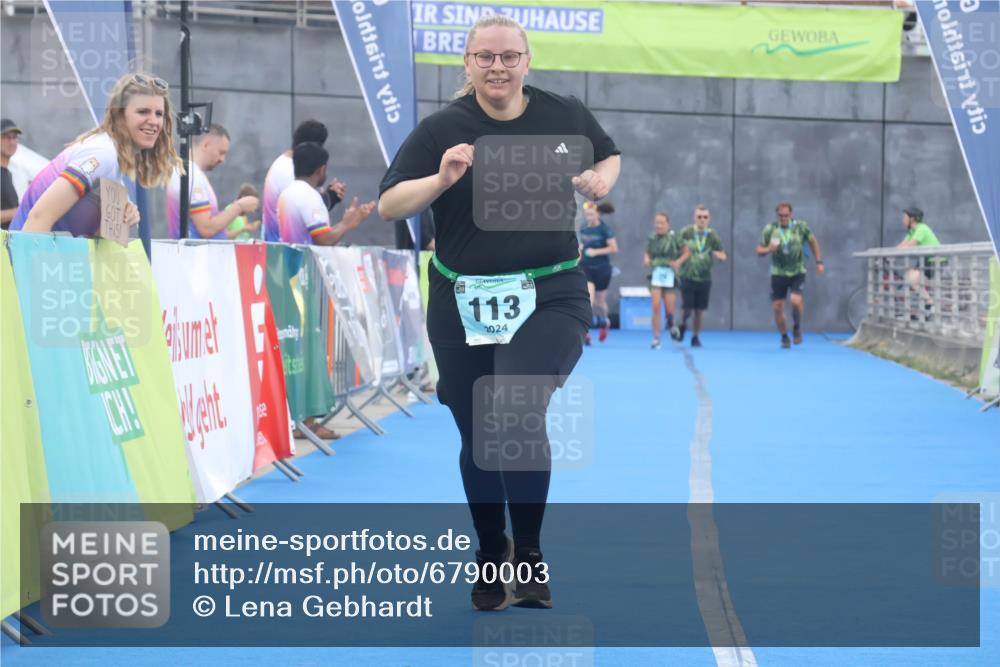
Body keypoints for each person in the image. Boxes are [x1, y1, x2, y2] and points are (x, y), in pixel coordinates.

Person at [377, 14, 620, 611]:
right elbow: (390, 204)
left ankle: (529, 554)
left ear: (526, 62)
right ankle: (492, 548)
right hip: (462, 298)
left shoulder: (563, 114)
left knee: (514, 407)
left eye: (509, 56)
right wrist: (440, 180)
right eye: (485, 57)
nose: (497, 67)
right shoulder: (442, 129)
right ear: (468, 63)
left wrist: (597, 179)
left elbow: (610, 155)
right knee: (479, 434)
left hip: (550, 290)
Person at [10, 73, 179, 236]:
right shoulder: (102, 154)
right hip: (22, 252)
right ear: (120, 115)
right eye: (143, 112)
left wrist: (123, 220)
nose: (153, 121)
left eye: (159, 114)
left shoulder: (114, 161)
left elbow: (97, 241)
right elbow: (38, 218)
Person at [166, 124, 257, 240]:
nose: (222, 159)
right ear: (206, 144)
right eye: (221, 152)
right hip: (196, 251)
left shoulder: (187, 172)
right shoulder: (193, 176)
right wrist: (239, 206)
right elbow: (206, 229)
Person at [262, 120, 345, 242]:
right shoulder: (290, 171)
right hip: (286, 247)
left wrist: (329, 196)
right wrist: (330, 198)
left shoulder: (285, 163)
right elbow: (302, 211)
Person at [277, 142, 374, 246]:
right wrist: (346, 224)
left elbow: (320, 235)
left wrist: (346, 222)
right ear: (321, 170)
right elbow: (324, 241)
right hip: (303, 257)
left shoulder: (286, 193)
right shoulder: (308, 195)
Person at [756, 202, 824, 348]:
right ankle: (784, 337)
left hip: (797, 270)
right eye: (780, 216)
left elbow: (813, 242)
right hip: (778, 273)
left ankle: (797, 327)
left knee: (795, 300)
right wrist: (768, 249)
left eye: (786, 215)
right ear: (777, 215)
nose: (783, 218)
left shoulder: (801, 227)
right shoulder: (770, 229)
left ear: (791, 214)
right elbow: (759, 250)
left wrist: (819, 261)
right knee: (777, 307)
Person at [675, 205, 727, 347]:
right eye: (699, 217)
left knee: (700, 310)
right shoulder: (686, 232)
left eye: (705, 217)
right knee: (687, 309)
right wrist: (677, 262)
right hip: (687, 275)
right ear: (694, 218)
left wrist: (721, 256)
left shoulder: (712, 235)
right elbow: (676, 248)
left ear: (709, 219)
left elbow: (722, 253)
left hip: (704, 278)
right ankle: (683, 325)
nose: (702, 220)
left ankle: (695, 337)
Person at [644, 211, 687, 349]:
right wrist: (647, 259)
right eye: (657, 223)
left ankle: (671, 324)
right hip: (656, 275)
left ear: (668, 224)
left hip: (669, 276)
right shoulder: (652, 237)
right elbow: (648, 252)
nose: (659, 225)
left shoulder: (675, 237)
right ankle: (656, 338)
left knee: (669, 309)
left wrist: (678, 262)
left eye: (662, 223)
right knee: (656, 307)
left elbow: (686, 252)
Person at [578, 201, 618, 344]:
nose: (589, 217)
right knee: (589, 298)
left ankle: (604, 322)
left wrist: (596, 252)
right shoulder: (583, 229)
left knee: (600, 302)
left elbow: (614, 248)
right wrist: (578, 255)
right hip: (586, 267)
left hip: (602, 268)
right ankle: (585, 333)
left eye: (591, 214)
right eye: (587, 215)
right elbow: (581, 247)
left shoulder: (605, 229)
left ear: (597, 214)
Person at [897, 206, 941, 316]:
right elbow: (902, 245)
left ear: (912, 219)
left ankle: (930, 303)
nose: (903, 219)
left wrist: (898, 250)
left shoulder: (921, 228)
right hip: (925, 259)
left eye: (905, 217)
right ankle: (927, 304)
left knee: (912, 279)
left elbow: (910, 245)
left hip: (934, 260)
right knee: (908, 277)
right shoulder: (911, 231)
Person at [1, 118, 22, 229]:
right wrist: (20, 211)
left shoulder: (8, 174)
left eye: (14, 137)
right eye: (6, 137)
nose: (12, 142)